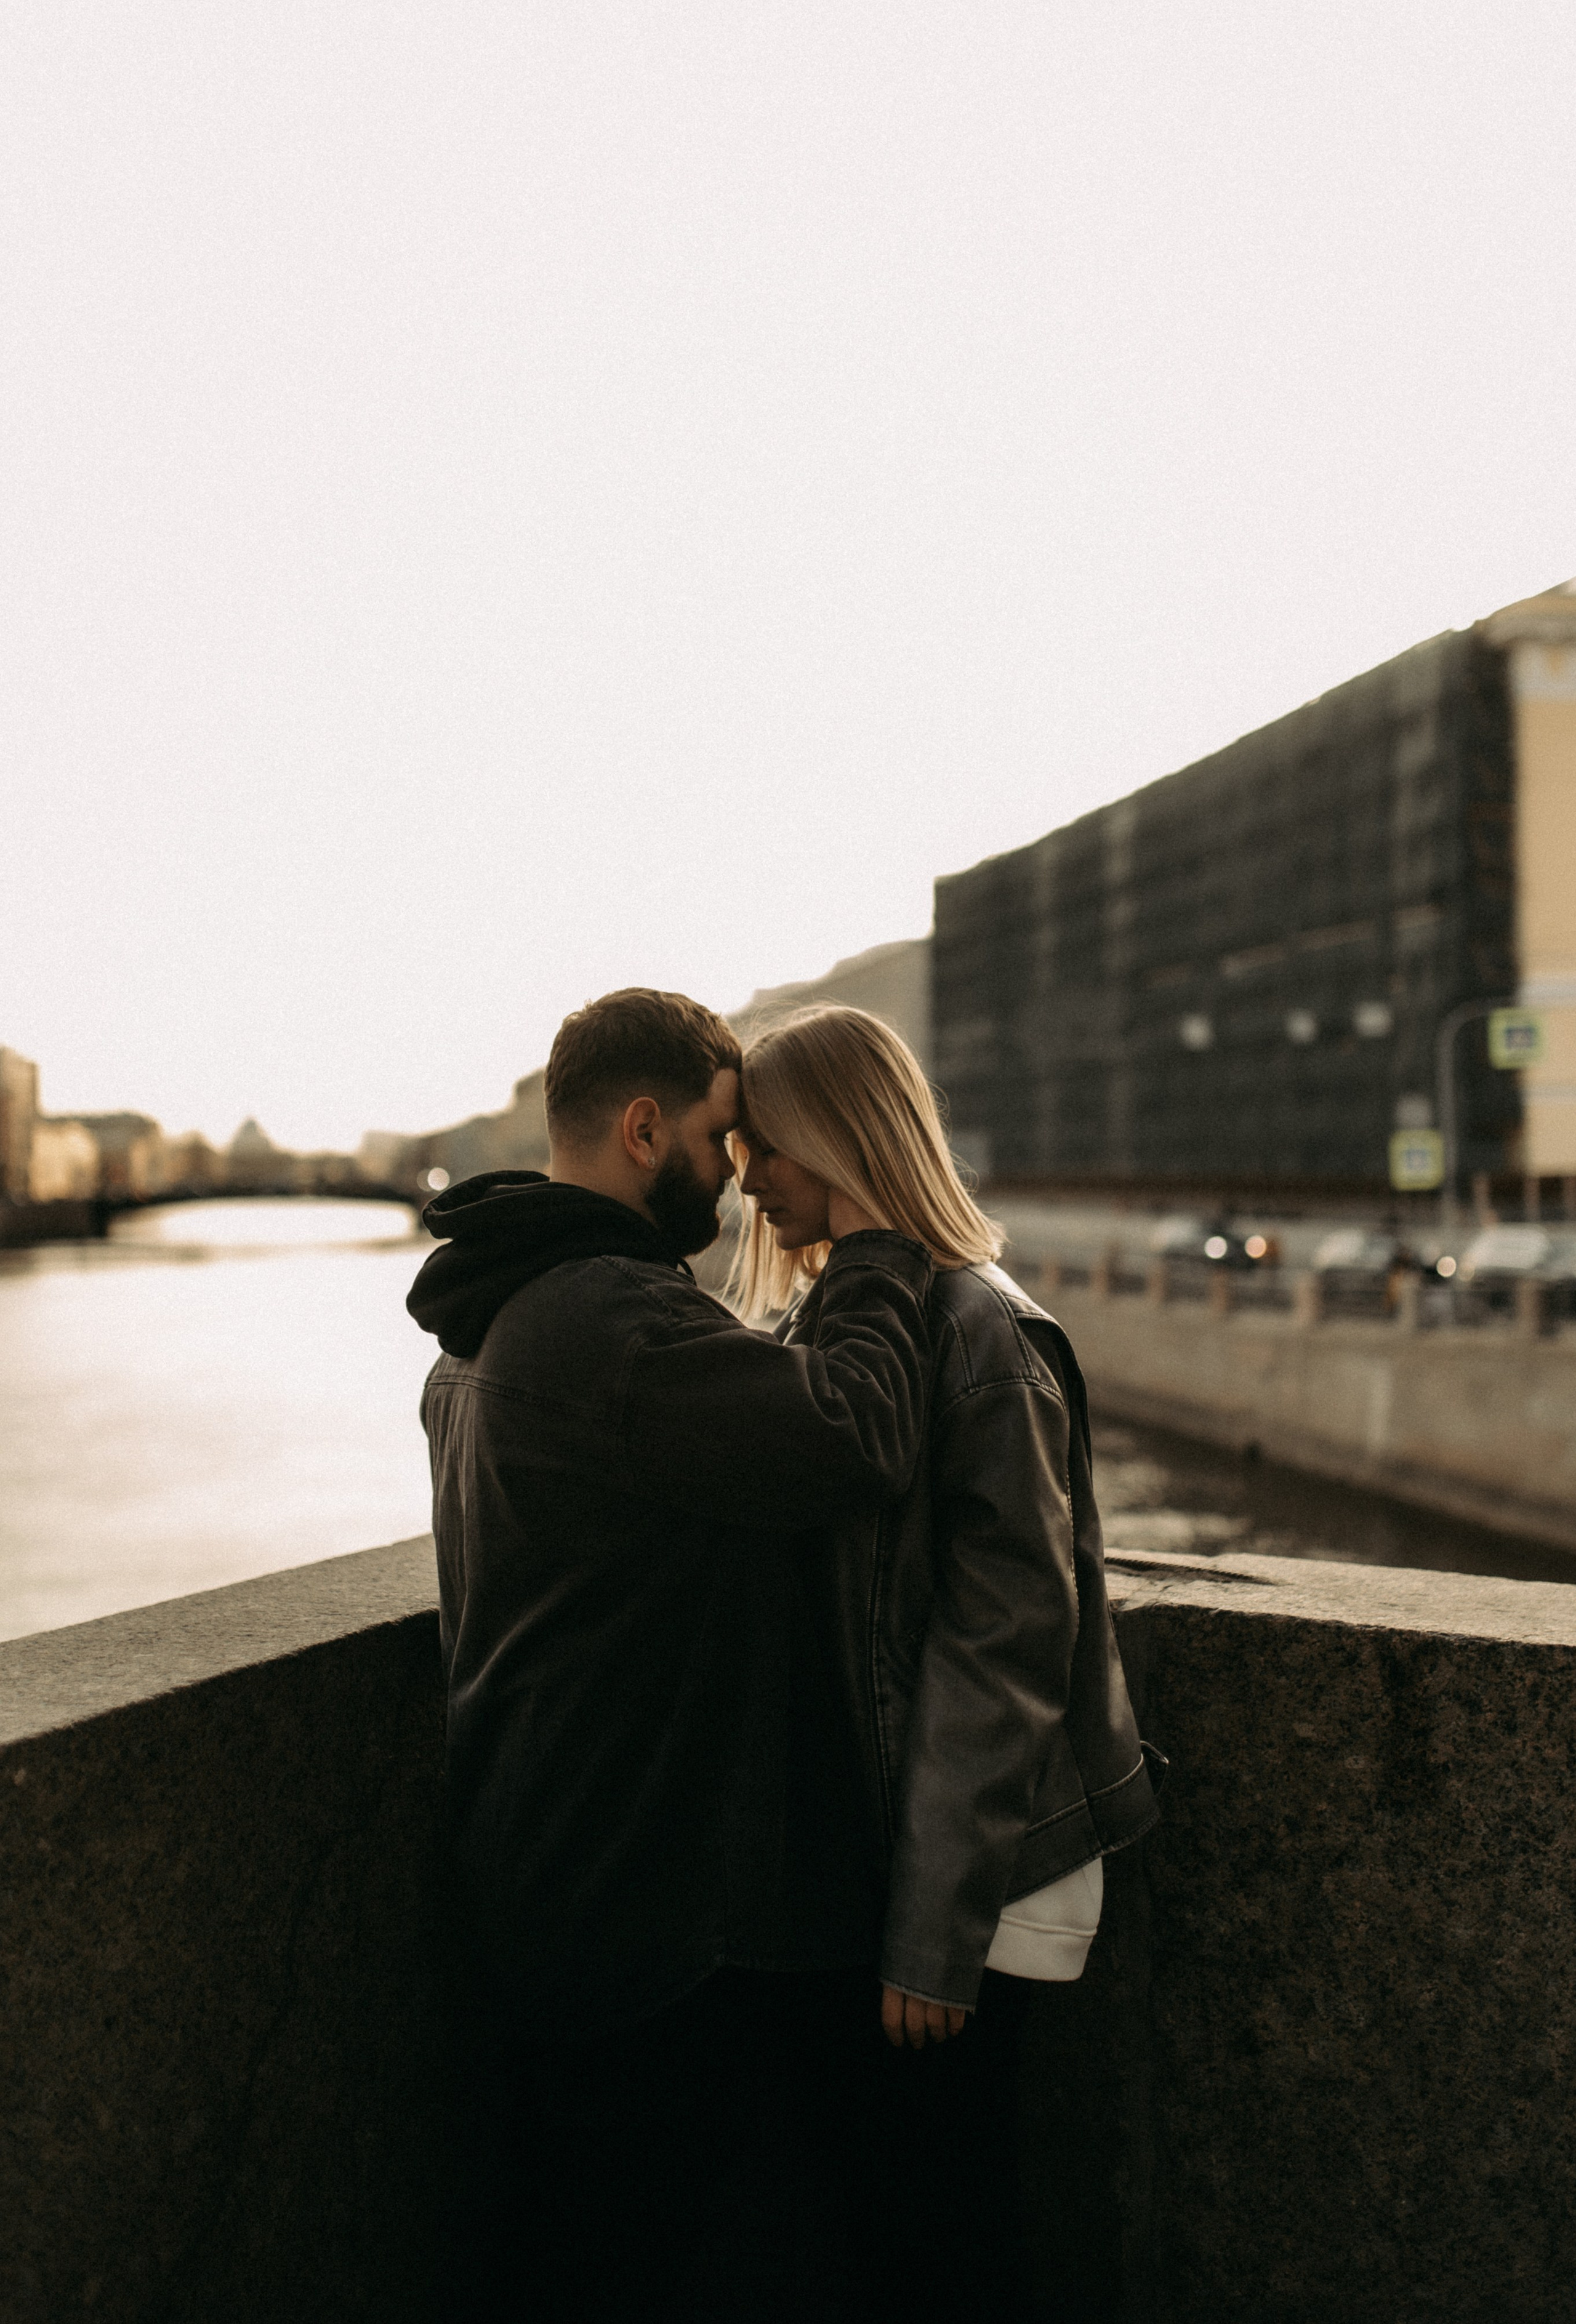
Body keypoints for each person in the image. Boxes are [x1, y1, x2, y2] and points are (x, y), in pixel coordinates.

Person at [406, 988, 936, 2322]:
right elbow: (854, 1430)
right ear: (646, 1128)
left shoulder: (498, 1307)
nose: (743, 1173)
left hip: (545, 1871)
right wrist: (874, 1242)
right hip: (652, 1920)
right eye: (723, 1133)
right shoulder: (608, 1318)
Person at [731, 1004, 1163, 2317]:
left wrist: (930, 1931)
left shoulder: (980, 1330)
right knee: (889, 2216)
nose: (745, 1177)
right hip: (913, 1850)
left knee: (938, 2228)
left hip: (984, 1869)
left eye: (763, 1146)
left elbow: (1004, 1644)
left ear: (835, 1133)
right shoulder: (850, 1312)